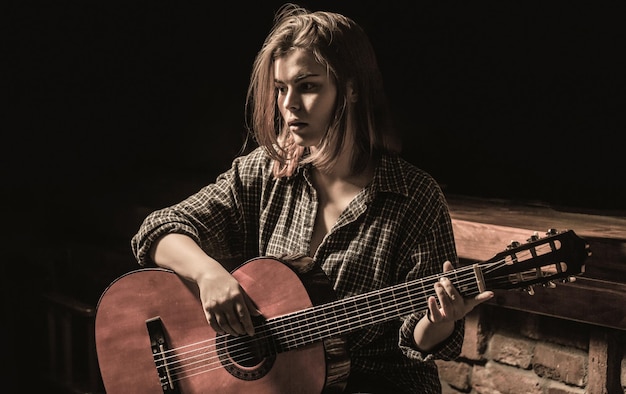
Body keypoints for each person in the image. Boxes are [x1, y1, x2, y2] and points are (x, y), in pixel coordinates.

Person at [131, 3, 493, 393]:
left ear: (351, 88)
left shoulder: (414, 197)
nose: (288, 105)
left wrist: (440, 320)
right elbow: (159, 230)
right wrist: (208, 274)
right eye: (282, 88)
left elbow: (419, 341)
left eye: (308, 86)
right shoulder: (266, 172)